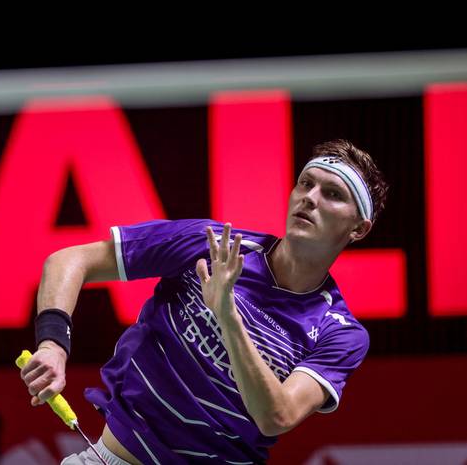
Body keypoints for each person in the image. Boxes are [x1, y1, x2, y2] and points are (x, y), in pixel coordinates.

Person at [20, 139, 389, 464]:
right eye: (305, 184)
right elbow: (70, 260)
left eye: (333, 194)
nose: (310, 197)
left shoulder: (339, 333)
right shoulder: (211, 245)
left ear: (358, 228)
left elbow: (276, 415)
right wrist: (53, 344)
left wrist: (227, 316)